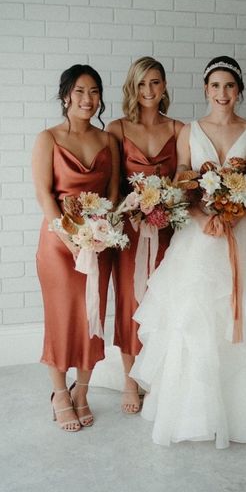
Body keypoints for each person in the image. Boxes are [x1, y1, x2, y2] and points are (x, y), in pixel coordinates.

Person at [130, 56, 246, 454]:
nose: (222, 93)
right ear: (205, 90)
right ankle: (197, 413)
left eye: (230, 86)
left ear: (239, 91)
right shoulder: (189, 131)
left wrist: (236, 211)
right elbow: (181, 180)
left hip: (244, 233)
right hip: (200, 235)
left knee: (245, 314)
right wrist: (200, 216)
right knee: (198, 318)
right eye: (215, 86)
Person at [32, 64, 120, 431]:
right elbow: (44, 194)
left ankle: (82, 392)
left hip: (99, 243)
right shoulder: (48, 138)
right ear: (66, 95)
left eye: (95, 92)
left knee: (92, 320)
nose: (88, 99)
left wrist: (101, 232)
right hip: (58, 245)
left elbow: (113, 192)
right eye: (81, 91)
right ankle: (59, 393)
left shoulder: (107, 141)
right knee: (62, 319)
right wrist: (70, 238)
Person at [107, 57, 183, 414]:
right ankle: (130, 379)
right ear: (132, 88)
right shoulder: (116, 129)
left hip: (168, 231)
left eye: (155, 83)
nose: (149, 91)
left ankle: (161, 376)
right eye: (141, 84)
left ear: (164, 86)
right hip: (131, 232)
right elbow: (110, 187)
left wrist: (166, 203)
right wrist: (133, 205)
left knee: (164, 303)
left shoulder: (179, 129)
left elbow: (186, 182)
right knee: (130, 302)